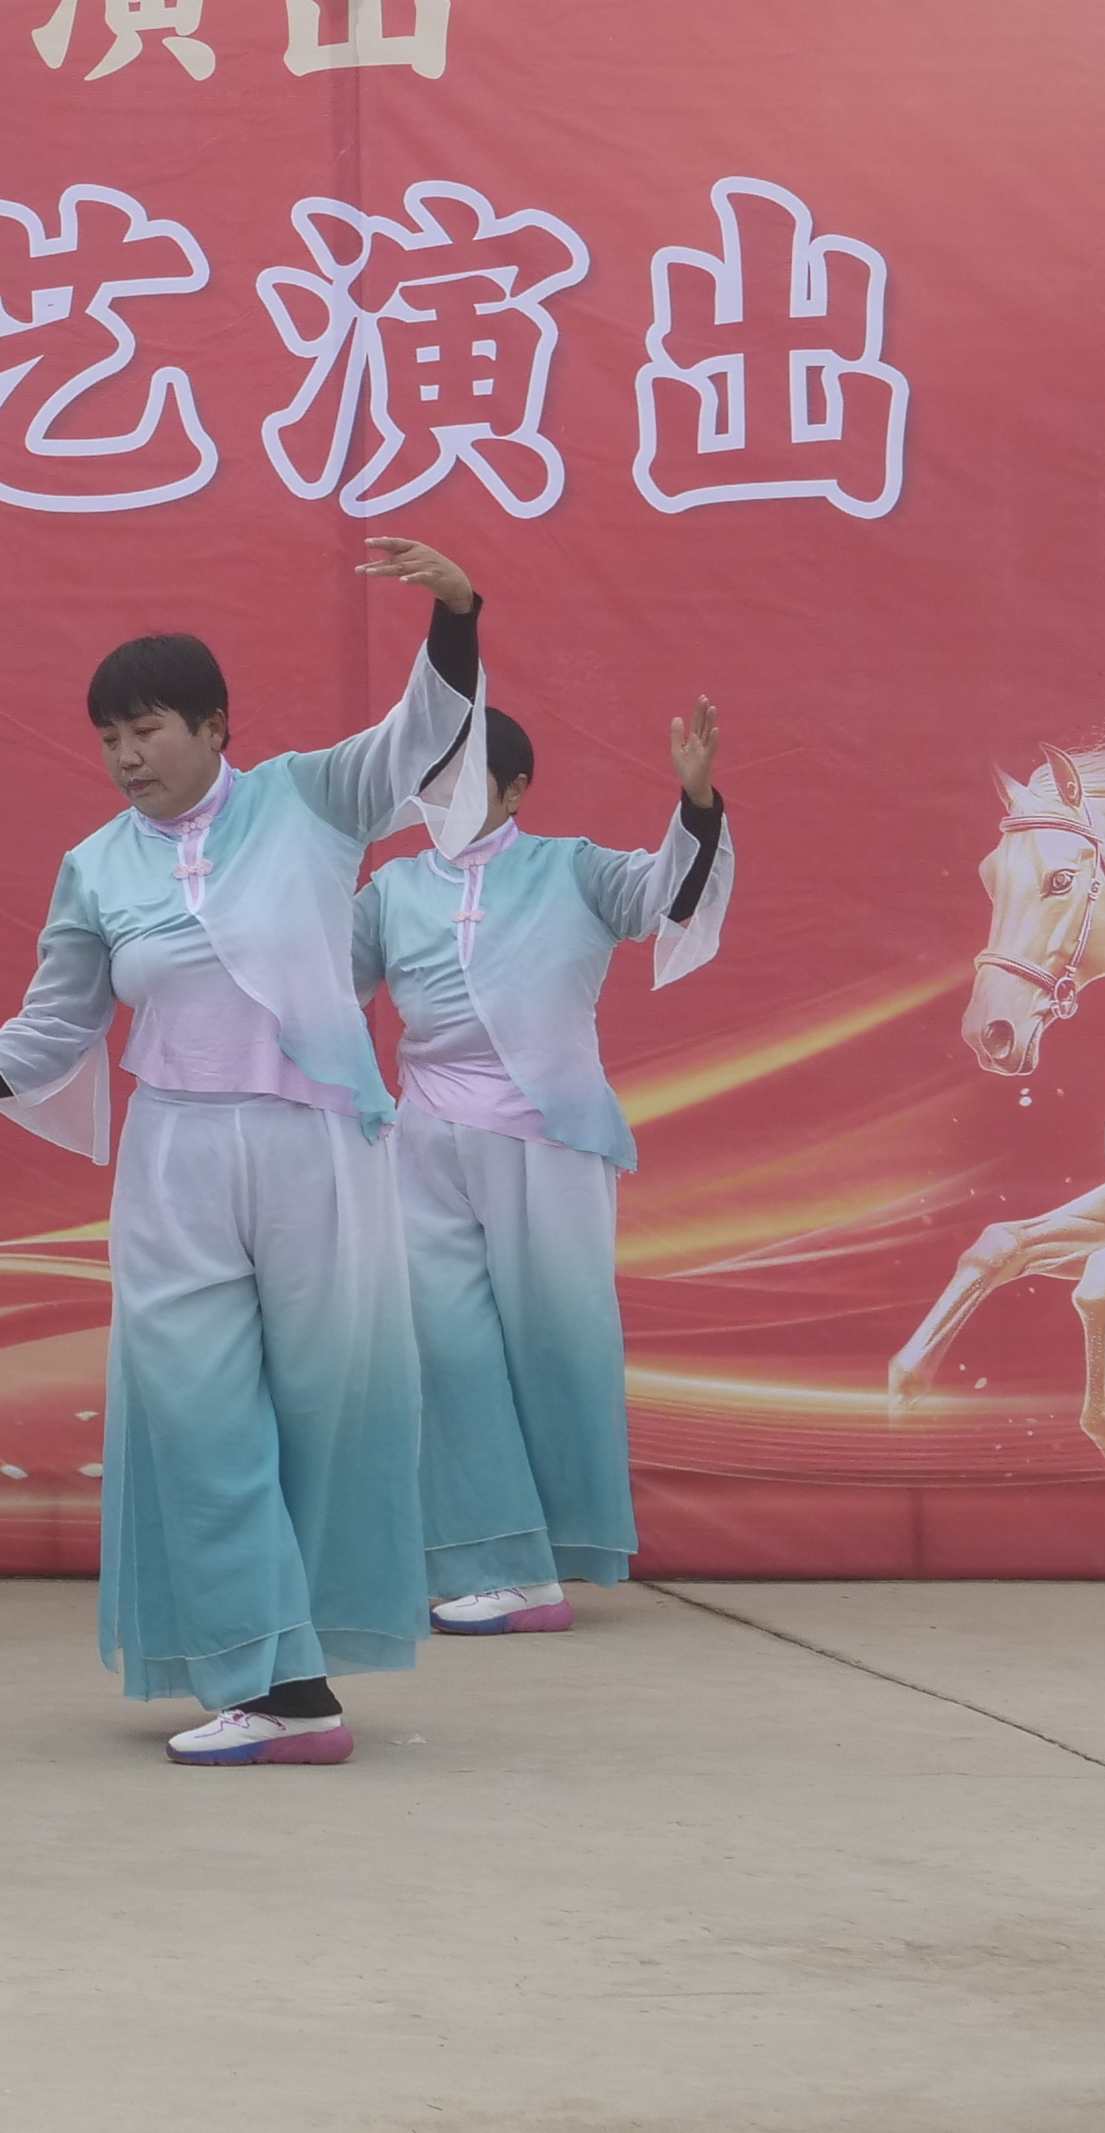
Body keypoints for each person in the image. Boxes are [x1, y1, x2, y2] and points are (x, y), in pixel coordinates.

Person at [0, 538, 486, 1768]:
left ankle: (301, 1670)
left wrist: (457, 612)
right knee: (195, 1409)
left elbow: (425, 736)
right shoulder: (95, 865)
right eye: (109, 738)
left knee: (327, 1404)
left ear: (214, 726)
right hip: (177, 1150)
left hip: (315, 1138)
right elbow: (59, 1020)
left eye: (147, 729)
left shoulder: (312, 798)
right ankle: (275, 1685)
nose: (127, 755)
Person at [359, 699, 729, 1636]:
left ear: (515, 789)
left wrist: (696, 803)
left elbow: (668, 895)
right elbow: (314, 980)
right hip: (425, 1140)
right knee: (442, 1347)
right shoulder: (392, 890)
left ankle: (550, 1557)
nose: (441, 799)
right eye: (431, 781)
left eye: (463, 781)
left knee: (557, 1340)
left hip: (549, 1138)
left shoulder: (574, 869)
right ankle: (497, 1564)